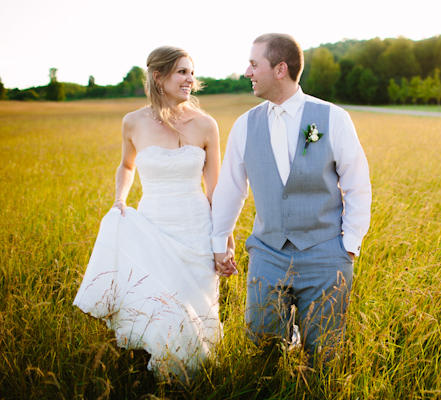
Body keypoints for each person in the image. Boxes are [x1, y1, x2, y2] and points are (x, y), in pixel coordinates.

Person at [73, 46, 233, 381]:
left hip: (196, 229)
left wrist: (225, 237)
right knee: (160, 300)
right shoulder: (132, 122)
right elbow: (126, 165)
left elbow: (215, 188)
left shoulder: (206, 125)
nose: (190, 79)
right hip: (152, 226)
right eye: (182, 72)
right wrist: (120, 199)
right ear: (158, 76)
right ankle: (162, 368)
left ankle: (195, 375)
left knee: (196, 304)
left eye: (191, 72)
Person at [212, 33, 371, 364]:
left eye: (255, 65)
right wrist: (218, 241)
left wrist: (350, 244)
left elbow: (357, 183)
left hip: (327, 255)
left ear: (280, 69)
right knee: (261, 351)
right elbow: (231, 187)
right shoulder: (245, 125)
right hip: (267, 254)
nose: (247, 72)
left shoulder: (332, 118)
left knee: (325, 357)